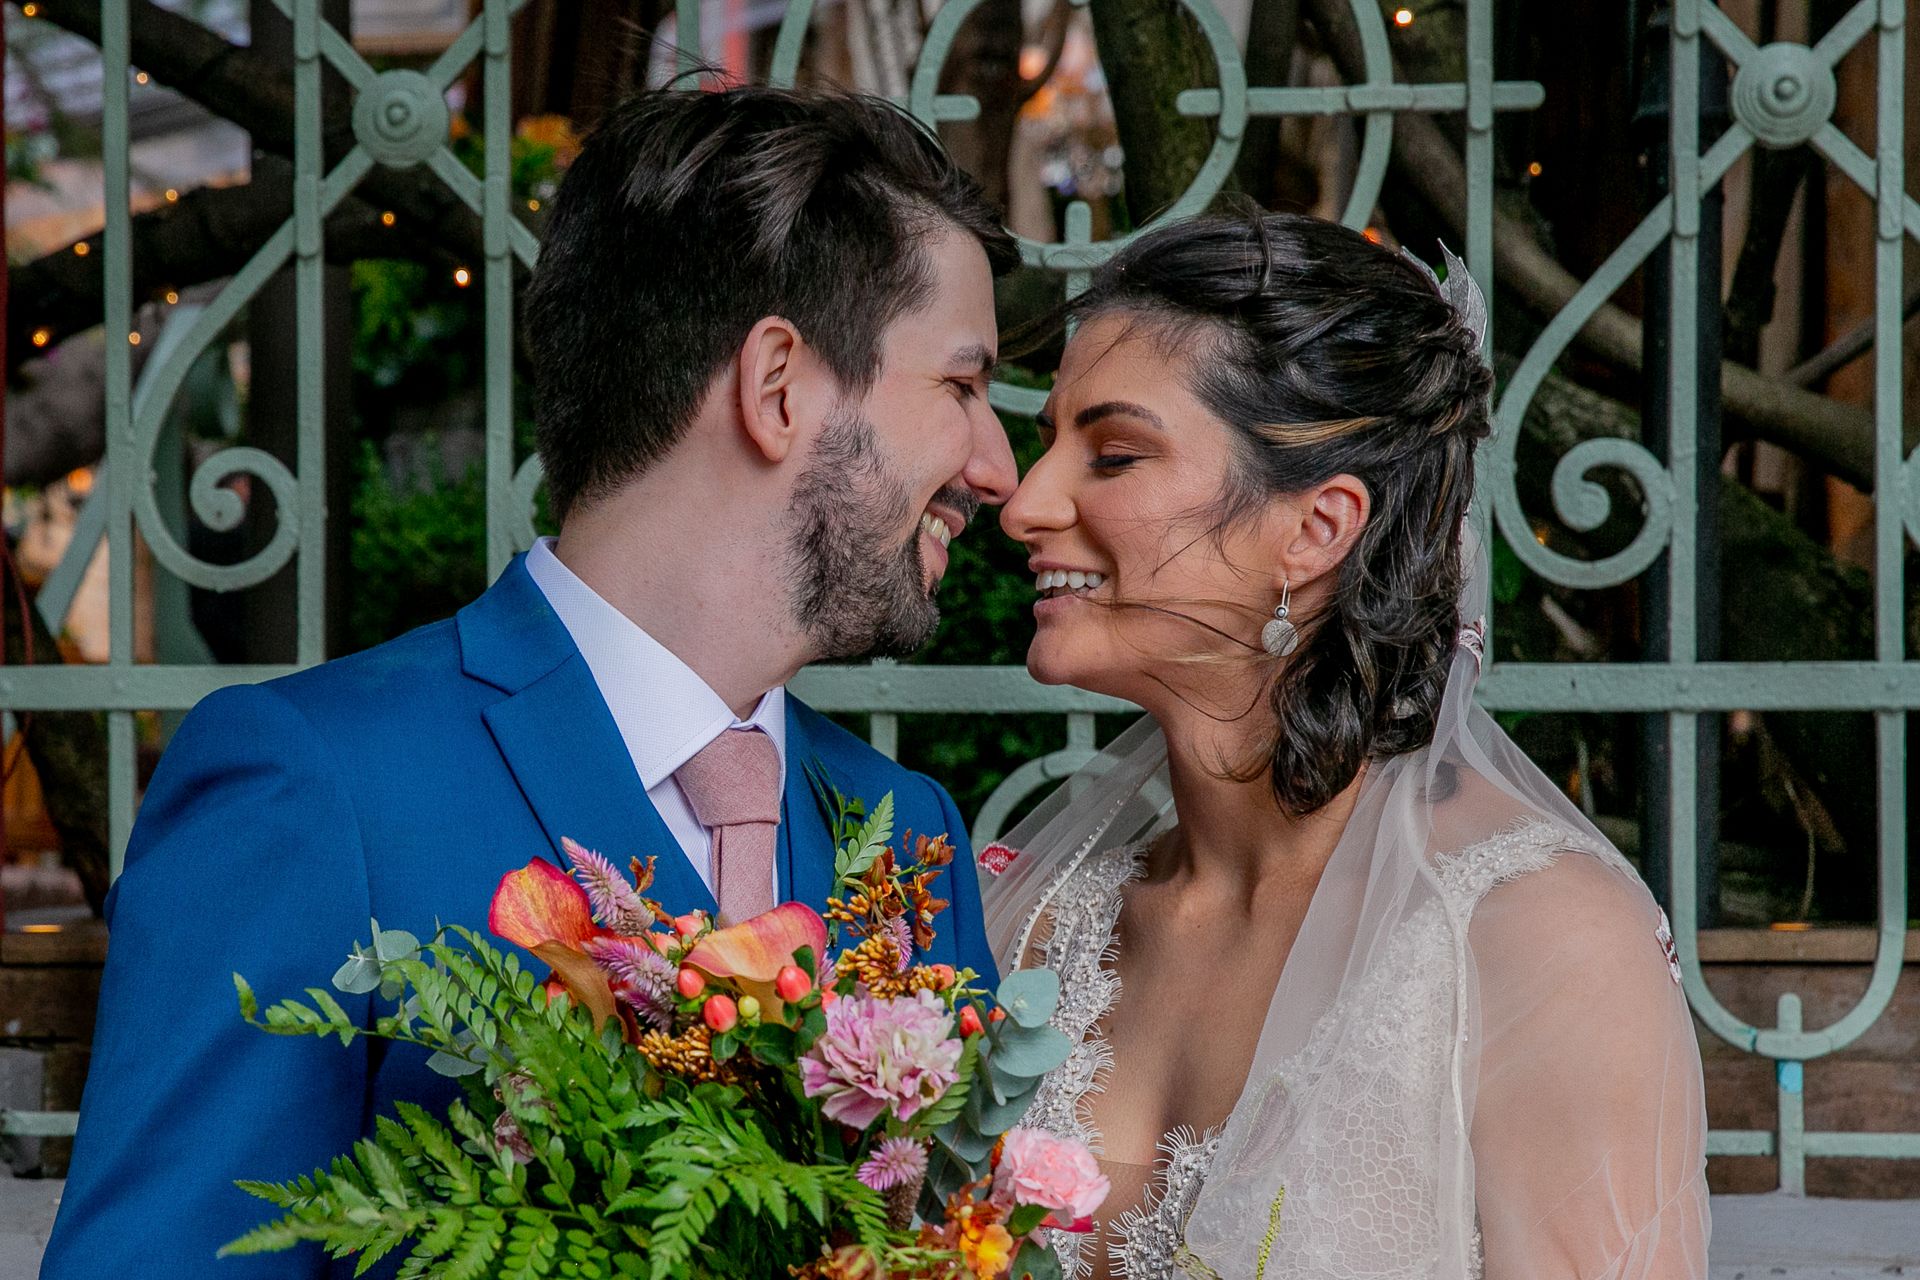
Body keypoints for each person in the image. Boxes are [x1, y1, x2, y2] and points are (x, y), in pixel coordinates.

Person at [42, 85, 1016, 1280]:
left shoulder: (908, 834)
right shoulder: (310, 788)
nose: (998, 467)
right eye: (963, 386)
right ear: (778, 386)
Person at [986, 210, 1710, 1279]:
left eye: (1115, 454)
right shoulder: (1042, 928)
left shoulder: (1538, 942)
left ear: (1317, 528)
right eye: (1048, 443)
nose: (1024, 503)